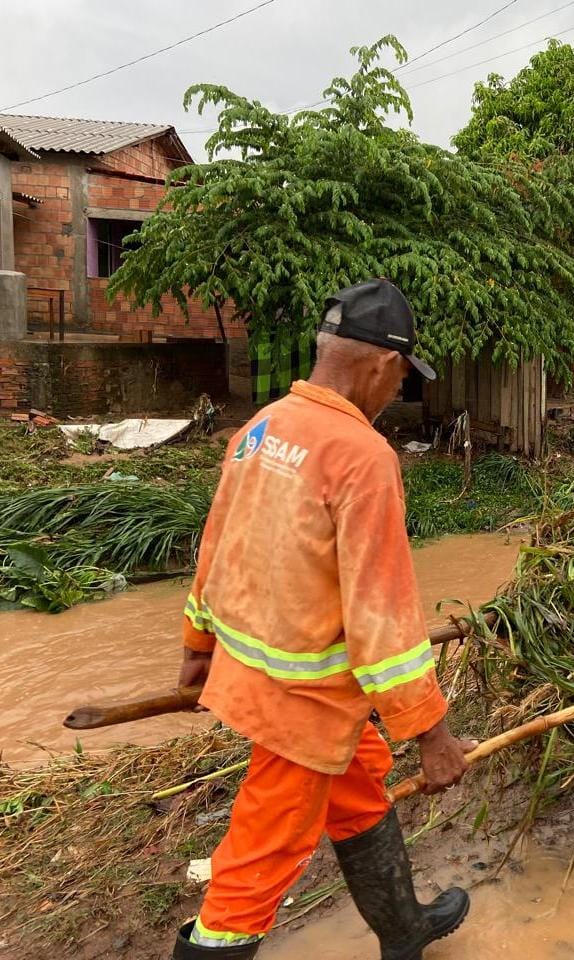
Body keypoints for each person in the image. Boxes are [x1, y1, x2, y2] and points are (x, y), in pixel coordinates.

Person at [172, 279, 474, 959]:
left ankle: (404, 930)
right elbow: (383, 620)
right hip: (302, 707)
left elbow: (217, 544)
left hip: (260, 678)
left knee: (360, 786)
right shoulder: (363, 457)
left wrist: (197, 644)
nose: (397, 390)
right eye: (402, 376)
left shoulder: (262, 427)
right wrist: (432, 733)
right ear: (381, 363)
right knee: (253, 869)